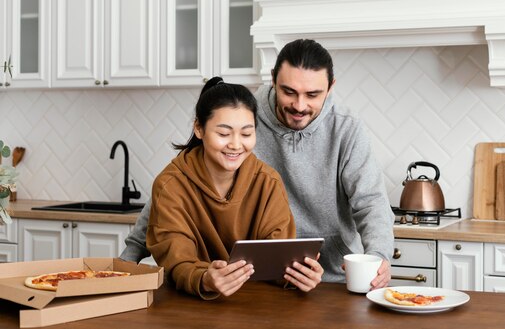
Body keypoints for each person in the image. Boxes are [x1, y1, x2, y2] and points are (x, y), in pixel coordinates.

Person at [122, 39, 394, 290]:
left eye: (312, 95)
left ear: (330, 87)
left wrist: (379, 256)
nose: (299, 105)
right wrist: (129, 257)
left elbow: (371, 201)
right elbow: (173, 190)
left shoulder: (346, 128)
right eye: (289, 92)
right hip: (252, 278)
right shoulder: (244, 116)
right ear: (273, 80)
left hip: (329, 274)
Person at [144, 77, 323, 299]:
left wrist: (298, 275)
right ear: (199, 129)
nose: (236, 145)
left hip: (260, 306)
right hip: (188, 307)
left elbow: (279, 259)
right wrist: (204, 279)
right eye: (223, 134)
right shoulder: (170, 185)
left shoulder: (268, 182)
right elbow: (176, 262)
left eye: (246, 134)